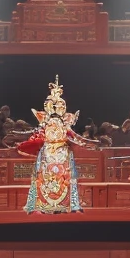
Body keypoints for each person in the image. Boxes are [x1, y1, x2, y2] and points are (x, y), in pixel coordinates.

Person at [18, 76, 97, 215]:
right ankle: (39, 204)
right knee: (42, 177)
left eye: (59, 105)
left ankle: (71, 204)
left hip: (63, 152)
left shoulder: (65, 123)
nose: (56, 107)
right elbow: (37, 136)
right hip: (47, 151)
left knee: (68, 178)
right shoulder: (45, 123)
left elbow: (73, 137)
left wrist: (84, 144)